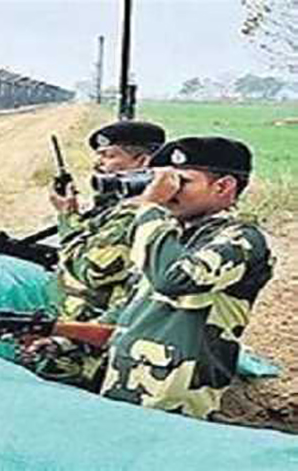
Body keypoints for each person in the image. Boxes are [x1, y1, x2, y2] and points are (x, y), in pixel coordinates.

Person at [97, 136, 274, 420]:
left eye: (181, 182)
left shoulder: (242, 239)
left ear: (223, 186)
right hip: (126, 382)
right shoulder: (171, 235)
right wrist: (61, 336)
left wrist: (150, 205)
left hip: (179, 398)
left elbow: (174, 280)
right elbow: (132, 308)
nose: (168, 192)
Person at [14, 121, 166, 390]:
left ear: (143, 161)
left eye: (109, 156)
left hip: (92, 340)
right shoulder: (119, 207)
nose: (99, 164)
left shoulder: (138, 212)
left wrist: (67, 216)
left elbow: (94, 269)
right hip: (77, 329)